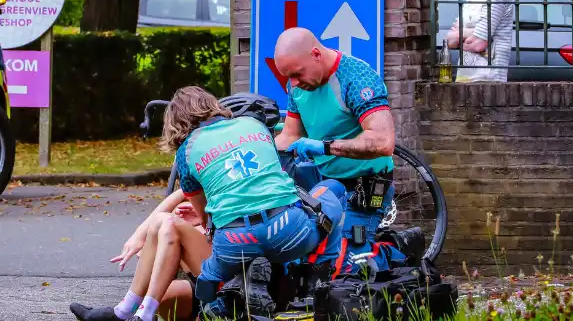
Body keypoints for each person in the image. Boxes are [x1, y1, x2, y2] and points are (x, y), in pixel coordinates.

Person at [162, 86, 342, 320]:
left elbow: (206, 216)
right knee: (334, 191)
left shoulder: (186, 151)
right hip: (287, 231)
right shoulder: (256, 126)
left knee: (209, 276)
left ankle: (220, 301)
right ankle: (316, 280)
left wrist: (210, 228)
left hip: (233, 243)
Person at [272, 27, 401, 278]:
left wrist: (325, 146)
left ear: (316, 54)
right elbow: (290, 135)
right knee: (309, 250)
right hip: (329, 183)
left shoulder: (357, 78)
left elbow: (383, 141)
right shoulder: (297, 86)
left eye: (298, 74)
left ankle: (395, 250)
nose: (294, 83)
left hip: (367, 183)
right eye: (289, 77)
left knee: (349, 265)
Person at [69, 189, 209, 321]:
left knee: (169, 222)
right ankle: (130, 309)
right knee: (161, 297)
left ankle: (133, 313)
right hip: (202, 279)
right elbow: (185, 191)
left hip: (226, 276)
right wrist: (141, 233)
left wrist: (205, 219)